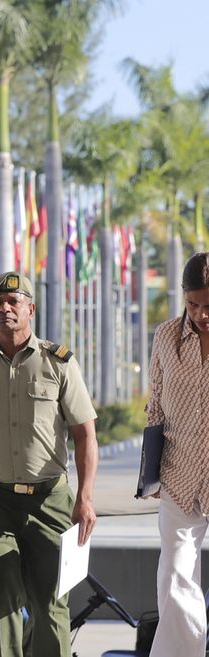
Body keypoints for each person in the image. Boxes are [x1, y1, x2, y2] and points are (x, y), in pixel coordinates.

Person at [0, 271, 98, 657]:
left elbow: (85, 436)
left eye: (14, 302)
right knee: (3, 601)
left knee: (50, 606)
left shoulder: (59, 365)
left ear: (31, 308)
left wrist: (86, 497)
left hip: (50, 501)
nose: (5, 309)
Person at [145, 252, 209, 656]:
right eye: (193, 304)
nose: (202, 314)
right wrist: (149, 473)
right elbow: (155, 406)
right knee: (174, 579)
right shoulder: (166, 337)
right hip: (179, 476)